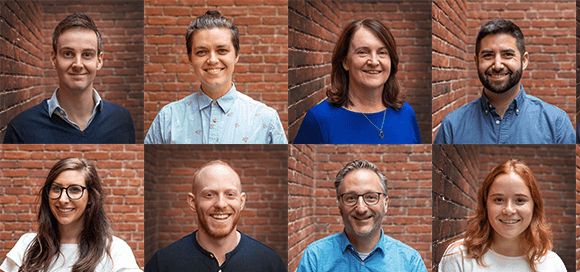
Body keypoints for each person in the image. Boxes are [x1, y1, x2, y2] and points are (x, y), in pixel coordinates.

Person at [144, 10, 287, 144]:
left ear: (236, 55)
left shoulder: (266, 120)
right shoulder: (167, 118)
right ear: (190, 58)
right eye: (201, 52)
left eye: (222, 50)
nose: (212, 60)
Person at [144, 160, 288, 272]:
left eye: (230, 194)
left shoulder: (271, 263)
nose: (221, 204)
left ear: (242, 201)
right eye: (209, 195)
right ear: (193, 202)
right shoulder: (161, 264)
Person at [1, 157, 142, 272]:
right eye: (56, 188)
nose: (63, 199)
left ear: (91, 197)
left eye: (75, 190)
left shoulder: (115, 251)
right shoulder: (26, 246)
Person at [293, 160, 432, 272]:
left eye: (371, 197)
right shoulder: (315, 257)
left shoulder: (410, 262)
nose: (361, 208)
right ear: (339, 205)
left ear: (386, 203)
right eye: (351, 198)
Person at [434, 19, 576, 144]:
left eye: (507, 55)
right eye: (488, 56)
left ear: (524, 60)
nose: (497, 65)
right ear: (477, 61)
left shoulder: (556, 123)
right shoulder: (452, 126)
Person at [436, 159, 572, 272]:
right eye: (499, 199)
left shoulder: (553, 263)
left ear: (534, 206)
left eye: (520, 200)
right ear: (485, 205)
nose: (509, 210)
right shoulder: (458, 257)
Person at [3, 13, 135, 144]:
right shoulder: (21, 128)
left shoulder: (122, 119)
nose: (77, 64)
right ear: (54, 59)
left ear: (99, 61)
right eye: (68, 54)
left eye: (87, 54)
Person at [293, 18, 421, 144]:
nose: (374, 62)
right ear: (345, 62)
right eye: (363, 52)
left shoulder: (406, 113)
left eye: (382, 52)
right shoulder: (318, 119)